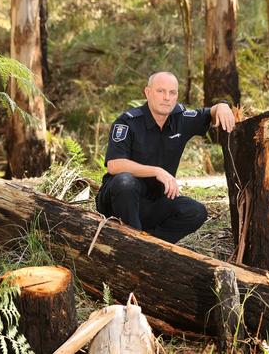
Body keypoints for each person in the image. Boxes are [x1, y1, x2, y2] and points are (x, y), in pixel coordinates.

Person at [96, 71, 236, 244]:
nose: (167, 98)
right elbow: (114, 165)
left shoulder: (181, 119)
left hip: (153, 203)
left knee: (196, 211)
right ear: (147, 93)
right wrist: (156, 171)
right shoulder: (127, 122)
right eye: (161, 91)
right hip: (119, 203)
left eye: (172, 92)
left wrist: (222, 105)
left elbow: (210, 113)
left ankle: (150, 245)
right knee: (126, 181)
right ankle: (134, 244)